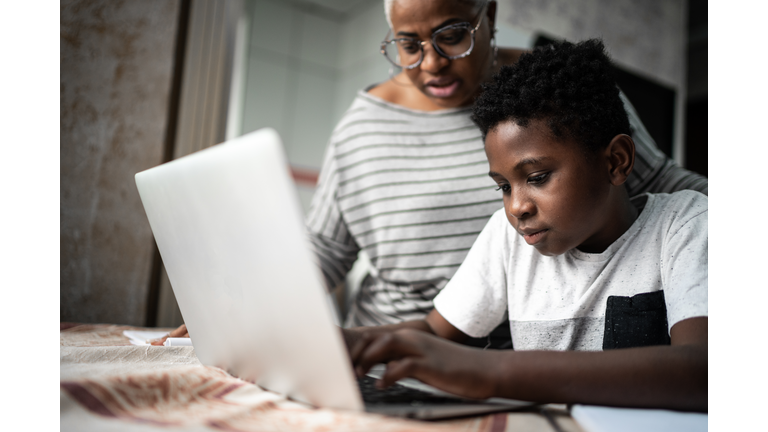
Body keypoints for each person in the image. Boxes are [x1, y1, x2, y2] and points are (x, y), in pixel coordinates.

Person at [154, 0, 708, 344]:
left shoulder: (563, 99)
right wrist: (246, 312)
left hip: (516, 346)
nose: (432, 63)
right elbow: (324, 249)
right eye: (408, 45)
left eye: (451, 35)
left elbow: (670, 189)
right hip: (404, 338)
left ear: (489, 14)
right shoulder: (360, 127)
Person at [345, 38, 707, 411]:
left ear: (615, 161)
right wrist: (347, 342)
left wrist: (491, 371)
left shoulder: (685, 225)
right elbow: (433, 331)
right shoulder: (507, 237)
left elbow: (704, 371)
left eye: (537, 177)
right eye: (503, 187)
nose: (516, 207)